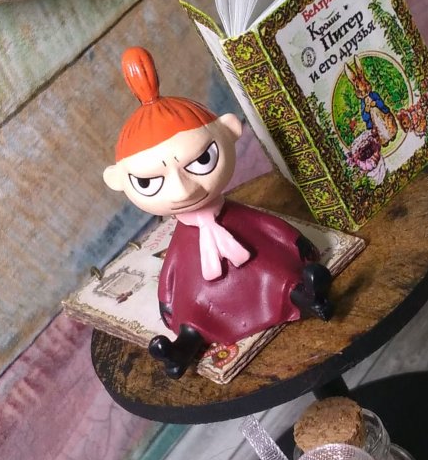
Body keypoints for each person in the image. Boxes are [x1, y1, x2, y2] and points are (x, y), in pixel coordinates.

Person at [103, 47, 333, 378]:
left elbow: (267, 226)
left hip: (260, 272)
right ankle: (184, 347)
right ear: (119, 181)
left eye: (201, 161)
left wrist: (298, 245)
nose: (183, 190)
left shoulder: (236, 215)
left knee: (277, 275)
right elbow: (171, 271)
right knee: (193, 313)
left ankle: (305, 296)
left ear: (229, 130)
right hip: (202, 297)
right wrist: (168, 304)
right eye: (149, 181)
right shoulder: (183, 240)